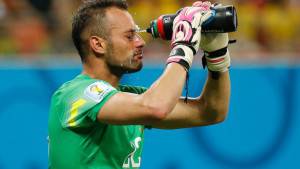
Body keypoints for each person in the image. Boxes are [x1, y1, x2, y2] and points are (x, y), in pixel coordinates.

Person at [48, 0, 231, 168]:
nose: (141, 42)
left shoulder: (129, 99)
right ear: (98, 44)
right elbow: (156, 106)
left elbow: (211, 112)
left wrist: (217, 55)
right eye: (129, 36)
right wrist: (184, 45)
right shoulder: (75, 94)